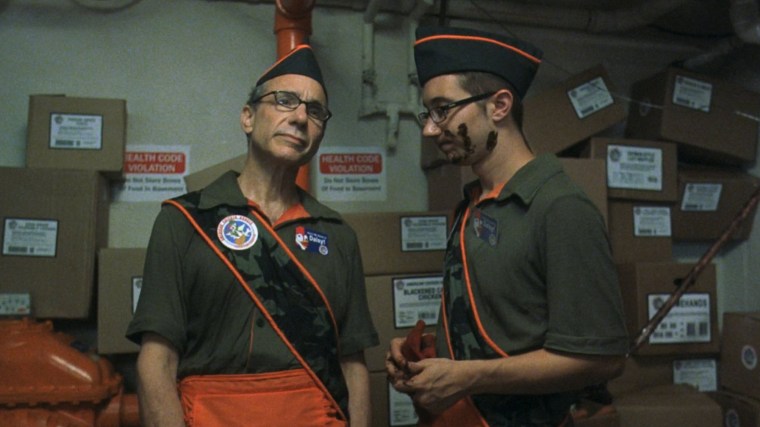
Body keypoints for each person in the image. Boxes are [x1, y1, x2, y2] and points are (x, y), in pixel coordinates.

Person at [386, 26, 629, 426]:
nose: (429, 129)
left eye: (443, 110)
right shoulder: (474, 204)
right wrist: (428, 357)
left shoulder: (560, 208)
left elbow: (603, 359)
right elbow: (504, 325)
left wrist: (469, 377)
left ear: (499, 106)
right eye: (428, 114)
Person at [127, 44, 378, 427]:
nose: (300, 117)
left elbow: (352, 364)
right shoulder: (183, 222)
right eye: (285, 101)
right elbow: (157, 360)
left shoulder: (338, 235)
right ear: (248, 117)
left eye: (315, 111)